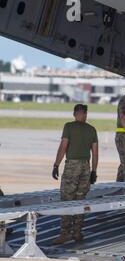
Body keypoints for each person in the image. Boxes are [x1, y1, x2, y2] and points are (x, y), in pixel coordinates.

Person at [52, 104, 98, 245]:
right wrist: (94, 171)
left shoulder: (69, 127)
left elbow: (63, 146)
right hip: (85, 166)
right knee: (81, 200)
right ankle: (77, 232)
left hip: (72, 166)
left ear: (74, 114)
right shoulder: (92, 130)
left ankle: (64, 233)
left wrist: (56, 165)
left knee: (67, 199)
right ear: (85, 114)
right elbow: (95, 153)